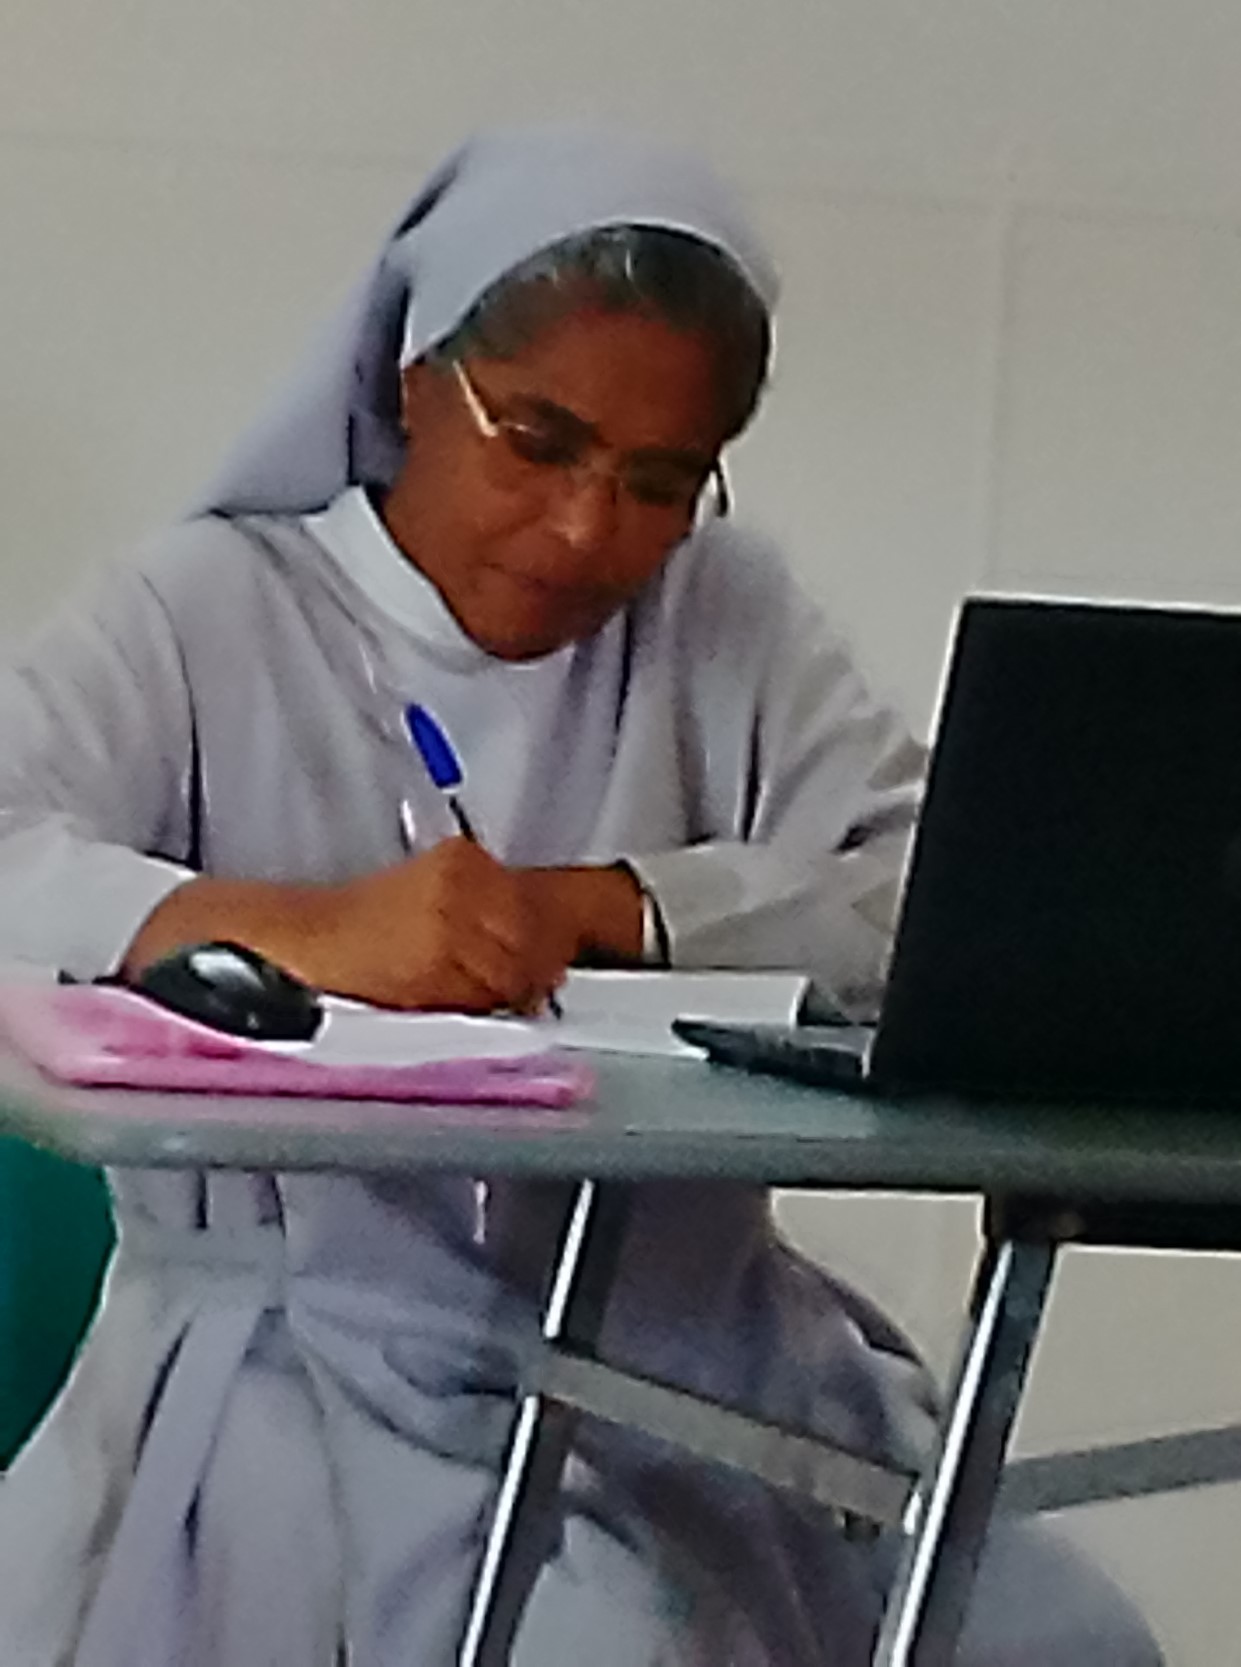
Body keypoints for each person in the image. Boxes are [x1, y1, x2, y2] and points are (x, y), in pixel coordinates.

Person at [0, 127, 1159, 1665]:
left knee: (1064, 1642)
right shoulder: (207, 609)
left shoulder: (721, 614)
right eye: (537, 443)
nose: (586, 531)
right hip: (320, 1366)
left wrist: (613, 906)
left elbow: (925, 896)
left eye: (660, 482)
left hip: (701, 1358)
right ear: (415, 378)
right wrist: (295, 931)